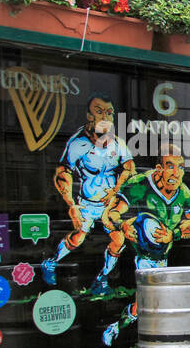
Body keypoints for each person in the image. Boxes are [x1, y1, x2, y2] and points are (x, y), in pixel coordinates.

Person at [99, 145, 190, 346]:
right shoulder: (139, 184)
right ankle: (133, 334)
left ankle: (122, 328)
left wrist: (174, 234)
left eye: (180, 167)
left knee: (148, 304)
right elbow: (111, 214)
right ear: (158, 168)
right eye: (169, 166)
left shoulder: (185, 193)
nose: (175, 172)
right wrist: (124, 225)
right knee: (148, 300)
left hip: (166, 256)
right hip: (141, 254)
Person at [41, 93, 135, 296]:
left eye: (109, 113)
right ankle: (50, 263)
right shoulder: (78, 144)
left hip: (108, 204)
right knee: (78, 239)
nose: (105, 117)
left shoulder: (117, 143)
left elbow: (129, 167)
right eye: (99, 111)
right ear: (88, 116)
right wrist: (71, 205)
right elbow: (62, 173)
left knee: (119, 240)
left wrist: (116, 189)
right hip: (87, 202)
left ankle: (101, 279)